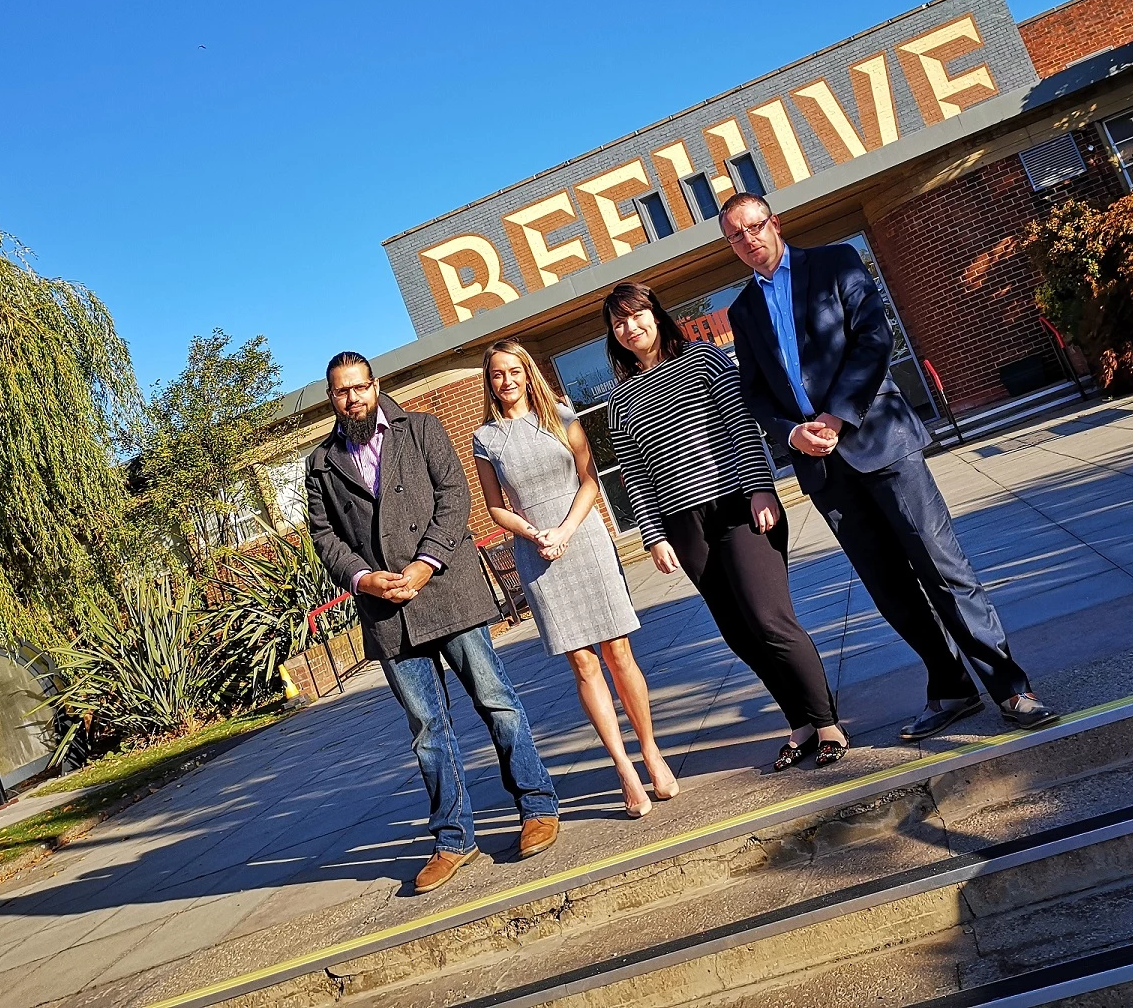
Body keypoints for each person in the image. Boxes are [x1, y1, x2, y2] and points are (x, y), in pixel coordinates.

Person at [720, 193, 1061, 741]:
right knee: (888, 587)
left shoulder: (836, 262)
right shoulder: (742, 311)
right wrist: (790, 433)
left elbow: (874, 340)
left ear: (775, 223)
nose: (749, 239)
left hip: (879, 441)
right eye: (736, 235)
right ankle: (950, 687)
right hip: (823, 468)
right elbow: (755, 392)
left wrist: (835, 416)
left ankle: (1010, 688)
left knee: (941, 567)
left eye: (756, 226)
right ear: (730, 244)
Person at [305, 351, 560, 895]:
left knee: (496, 701)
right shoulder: (321, 462)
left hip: (447, 589)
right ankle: (453, 839)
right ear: (331, 397)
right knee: (426, 731)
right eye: (340, 391)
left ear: (375, 386)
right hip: (386, 612)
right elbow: (325, 536)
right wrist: (364, 579)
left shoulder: (420, 429)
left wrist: (423, 566)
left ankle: (537, 806)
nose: (352, 398)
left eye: (359, 387)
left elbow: (454, 497)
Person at [602, 282, 849, 770]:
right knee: (738, 632)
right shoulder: (616, 402)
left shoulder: (706, 360)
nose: (630, 328)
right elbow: (635, 475)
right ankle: (798, 723)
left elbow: (742, 426)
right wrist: (654, 536)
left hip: (738, 504)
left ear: (656, 313)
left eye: (637, 315)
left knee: (770, 620)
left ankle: (827, 725)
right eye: (618, 323)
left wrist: (761, 488)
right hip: (683, 526)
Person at [472, 340, 679, 818]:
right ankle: (625, 769)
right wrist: (535, 533)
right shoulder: (485, 439)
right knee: (584, 665)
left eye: (514, 371)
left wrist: (564, 530)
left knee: (619, 651)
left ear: (528, 373)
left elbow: (590, 480)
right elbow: (494, 504)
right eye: (497, 374)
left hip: (583, 537)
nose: (507, 381)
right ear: (490, 382)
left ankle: (651, 752)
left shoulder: (563, 417)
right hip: (537, 551)